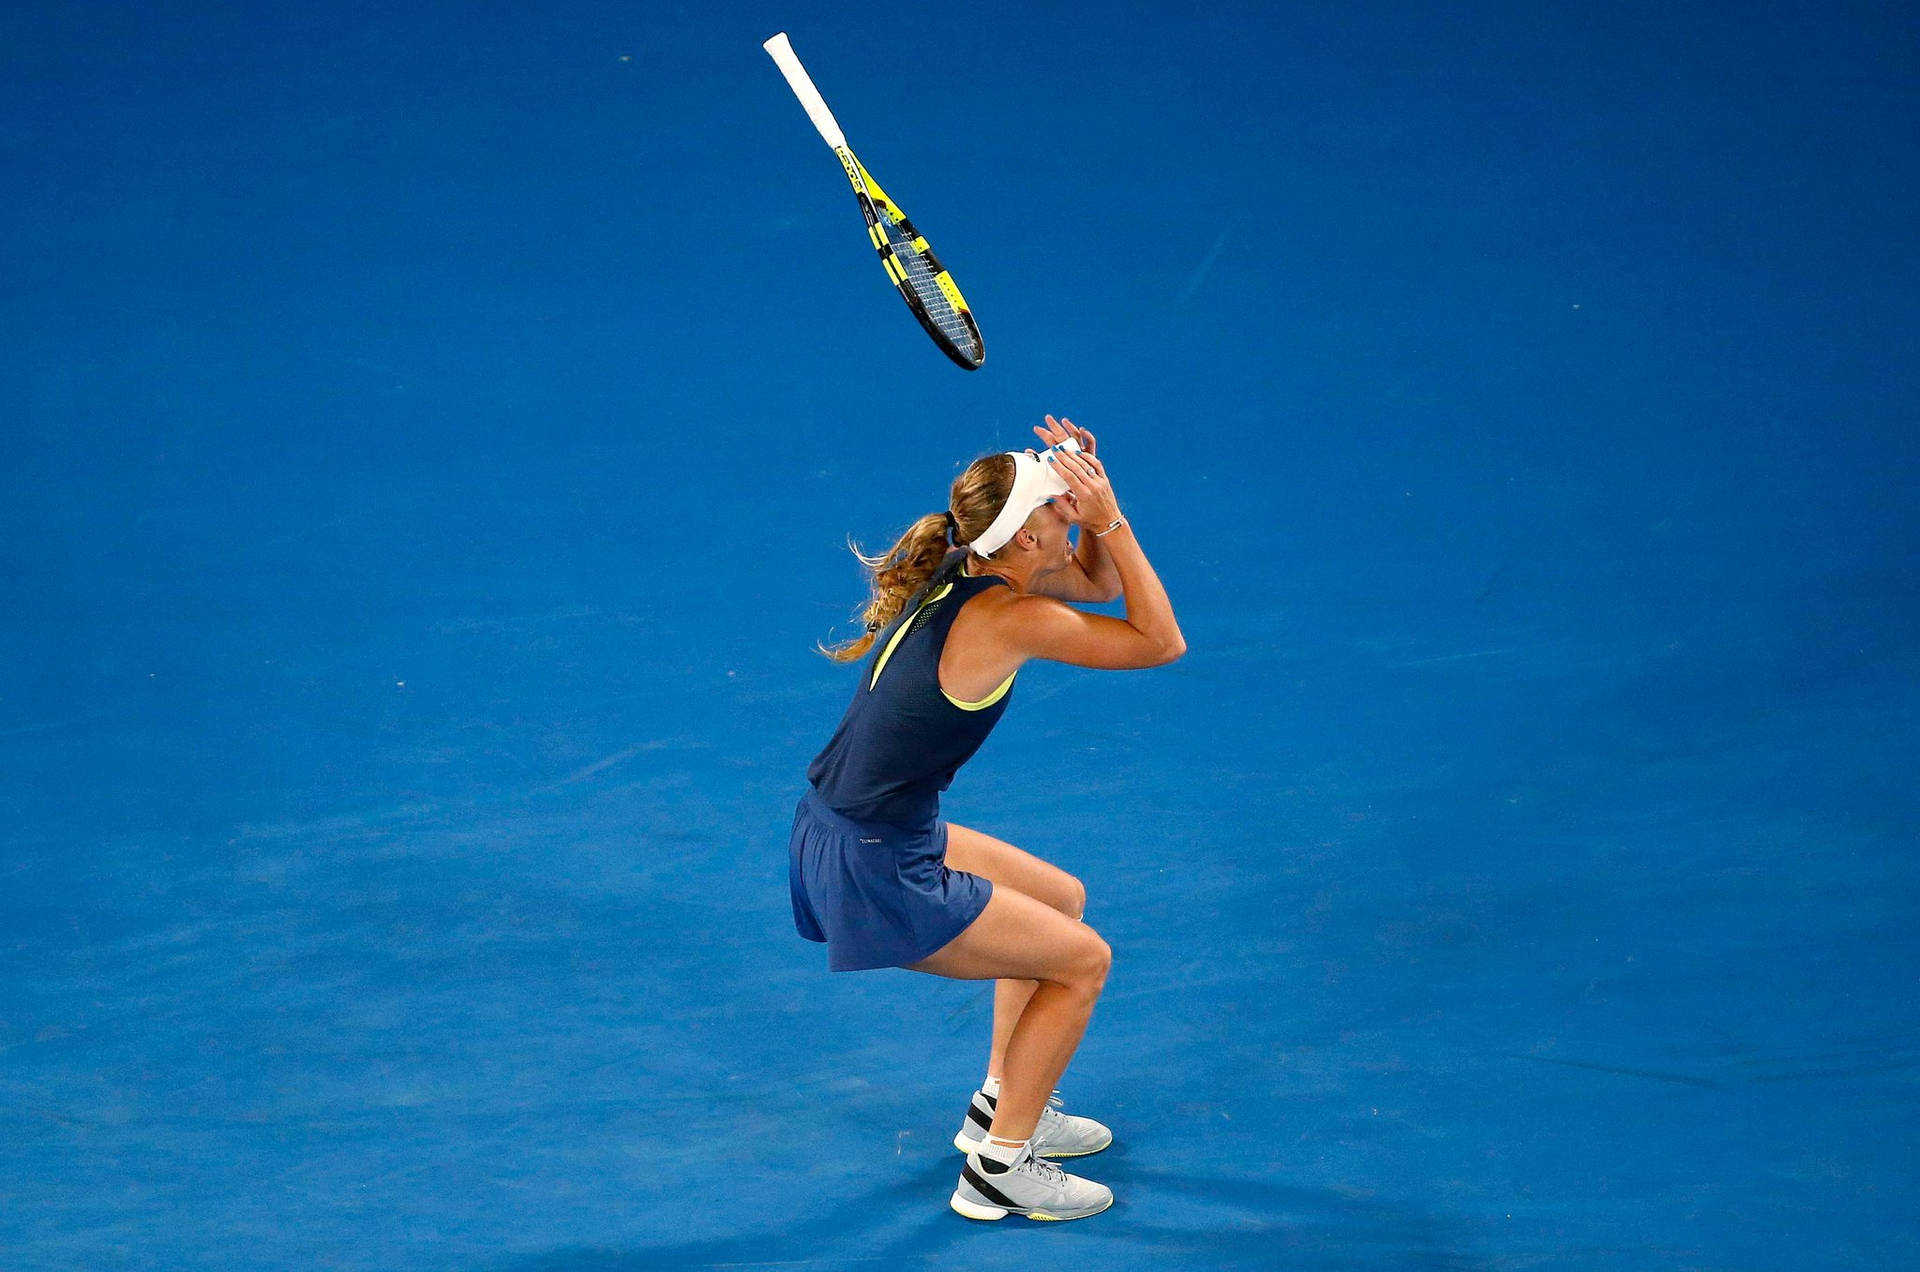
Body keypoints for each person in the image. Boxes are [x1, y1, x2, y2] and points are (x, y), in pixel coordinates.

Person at [788, 415, 1185, 1222]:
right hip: (876, 860)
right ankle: (1000, 1169)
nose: (1065, 514)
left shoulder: (973, 571)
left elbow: (1104, 587)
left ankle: (1005, 1104)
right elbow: (1160, 641)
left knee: (1059, 901)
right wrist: (1108, 519)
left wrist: (1079, 511)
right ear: (1027, 538)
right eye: (1054, 509)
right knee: (1082, 963)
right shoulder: (1012, 616)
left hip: (851, 828)